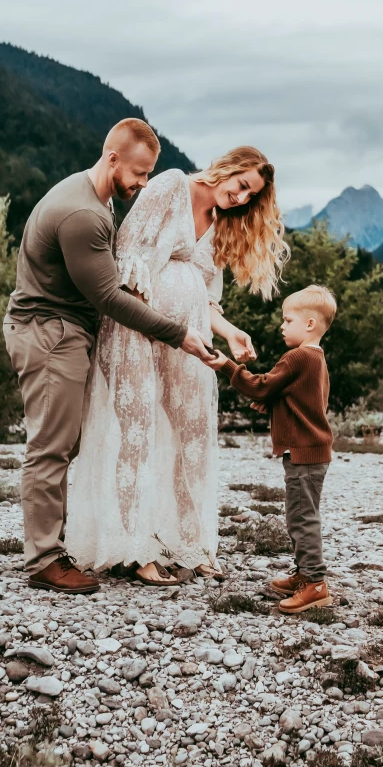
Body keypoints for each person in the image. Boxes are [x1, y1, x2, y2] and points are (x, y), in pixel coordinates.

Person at [3, 119, 214, 595]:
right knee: (51, 448)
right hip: (50, 333)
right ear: (113, 157)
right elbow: (111, 298)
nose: (142, 185)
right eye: (138, 173)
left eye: (149, 175)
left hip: (60, 332)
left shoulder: (92, 196)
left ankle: (51, 547)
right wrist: (180, 334)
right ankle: (43, 561)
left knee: (63, 443)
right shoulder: (85, 214)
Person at [66, 146, 288, 585]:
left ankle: (190, 543)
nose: (241, 198)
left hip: (189, 340)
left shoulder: (223, 223)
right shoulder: (170, 185)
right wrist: (159, 323)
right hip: (139, 330)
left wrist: (229, 332)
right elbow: (127, 258)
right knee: (137, 434)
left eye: (251, 196)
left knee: (192, 433)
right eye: (242, 185)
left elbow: (205, 295)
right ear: (228, 167)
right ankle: (134, 549)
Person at [209, 284, 336, 613]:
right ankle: (304, 574)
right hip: (311, 452)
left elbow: (260, 387)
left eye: (287, 319)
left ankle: (314, 583)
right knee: (298, 516)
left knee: (302, 518)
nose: (282, 325)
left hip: (303, 454)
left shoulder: (297, 357)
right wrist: (277, 403)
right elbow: (299, 399)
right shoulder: (316, 358)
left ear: (309, 324)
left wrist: (226, 366)